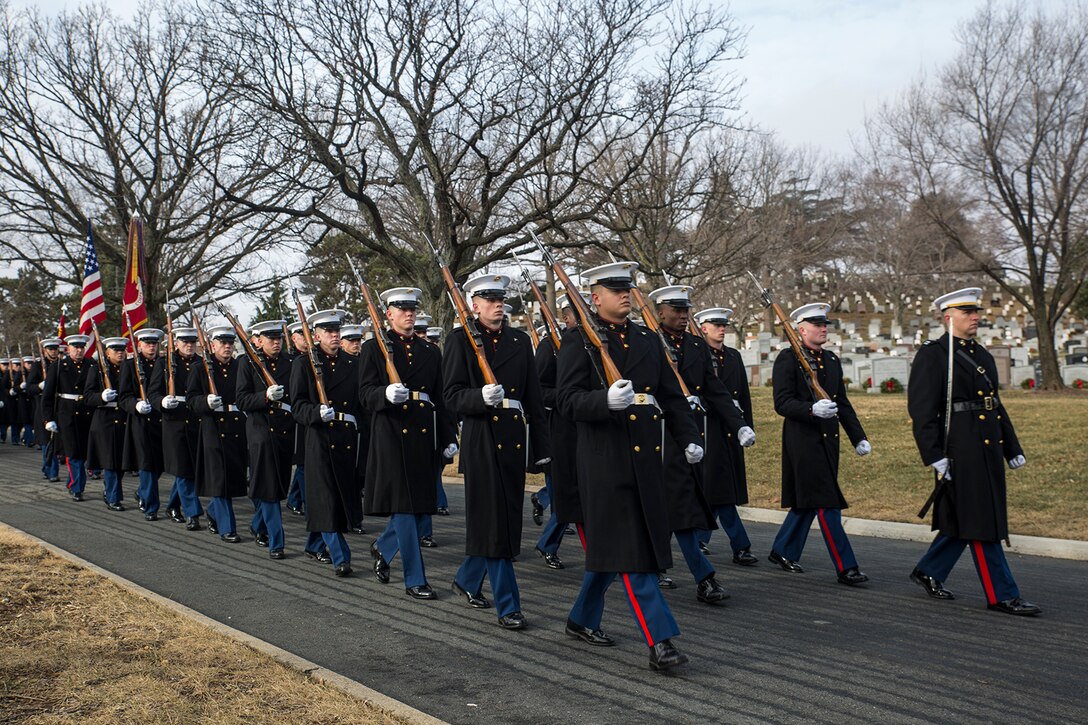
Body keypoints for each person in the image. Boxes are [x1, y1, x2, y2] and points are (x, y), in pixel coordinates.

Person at [556, 261, 701, 671]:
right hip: (603, 462)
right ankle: (661, 642)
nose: (625, 294)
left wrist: (689, 437)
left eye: (628, 287)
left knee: (616, 551)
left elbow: (672, 397)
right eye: (615, 288)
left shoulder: (647, 340)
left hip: (645, 460)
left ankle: (582, 617)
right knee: (634, 556)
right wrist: (602, 401)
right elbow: (566, 401)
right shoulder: (578, 342)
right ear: (594, 296)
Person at [907, 287, 1040, 616]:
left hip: (988, 446)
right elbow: (922, 411)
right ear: (948, 317)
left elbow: (994, 404)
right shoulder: (934, 354)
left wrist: (1012, 446)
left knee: (967, 516)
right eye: (968, 313)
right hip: (960, 448)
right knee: (981, 520)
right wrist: (934, 454)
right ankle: (1002, 594)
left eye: (976, 311)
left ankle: (930, 570)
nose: (976, 317)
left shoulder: (979, 354)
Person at [443, 273, 549, 630]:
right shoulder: (460, 341)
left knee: (502, 518)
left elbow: (534, 396)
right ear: (474, 305)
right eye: (489, 299)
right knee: (494, 522)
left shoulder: (519, 340)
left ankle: (467, 580)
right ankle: (509, 605)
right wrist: (478, 397)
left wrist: (543, 450)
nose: (497, 304)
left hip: (514, 438)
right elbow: (451, 395)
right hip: (481, 438)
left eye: (500, 298)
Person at [646, 285, 754, 603]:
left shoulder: (695, 344)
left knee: (679, 508)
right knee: (679, 508)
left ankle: (661, 568)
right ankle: (702, 576)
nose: (683, 315)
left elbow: (715, 389)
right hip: (657, 435)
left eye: (685, 310)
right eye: (676, 310)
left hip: (689, 436)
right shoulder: (647, 342)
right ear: (659, 311)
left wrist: (739, 425)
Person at [361, 287, 457, 599]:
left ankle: (384, 546)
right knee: (404, 509)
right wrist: (384, 395)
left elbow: (440, 400)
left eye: (412, 308)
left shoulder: (431, 352)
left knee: (419, 510)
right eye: (401, 309)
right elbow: (363, 394)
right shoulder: (373, 348)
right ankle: (415, 579)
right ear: (388, 314)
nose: (409, 313)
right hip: (391, 435)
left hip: (423, 435)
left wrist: (448, 437)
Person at [767, 302, 871, 586]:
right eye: (817, 325)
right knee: (827, 503)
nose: (824, 328)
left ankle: (783, 550)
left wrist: (858, 436)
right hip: (803, 441)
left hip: (828, 440)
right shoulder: (788, 360)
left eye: (825, 324)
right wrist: (811, 410)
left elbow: (843, 403)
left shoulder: (832, 360)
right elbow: (782, 402)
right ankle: (846, 566)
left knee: (807, 502)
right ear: (801, 330)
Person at [290, 308, 360, 577]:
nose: (334, 335)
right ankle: (341, 556)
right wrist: (315, 413)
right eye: (328, 332)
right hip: (319, 438)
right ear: (316, 336)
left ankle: (314, 543)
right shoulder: (303, 364)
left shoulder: (352, 363)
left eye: (336, 331)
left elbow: (359, 403)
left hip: (346, 437)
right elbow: (297, 406)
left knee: (338, 497)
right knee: (326, 497)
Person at [693, 307, 759, 565]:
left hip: (731, 428)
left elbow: (743, 395)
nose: (722, 329)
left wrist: (747, 426)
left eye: (724, 325)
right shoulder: (696, 356)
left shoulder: (733, 356)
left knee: (719, 488)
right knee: (720, 489)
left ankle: (700, 537)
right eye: (716, 325)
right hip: (706, 425)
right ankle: (740, 545)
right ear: (703, 328)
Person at [530, 292, 586, 569]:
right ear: (566, 318)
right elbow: (540, 390)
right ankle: (548, 544)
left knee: (580, 496)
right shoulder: (550, 347)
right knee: (567, 496)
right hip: (561, 429)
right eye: (579, 313)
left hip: (587, 426)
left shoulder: (590, 344)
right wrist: (569, 396)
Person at [236, 319, 295, 560]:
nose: (276, 342)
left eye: (279, 338)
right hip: (260, 429)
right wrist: (265, 396)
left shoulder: (290, 362)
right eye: (271, 339)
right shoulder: (247, 363)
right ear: (258, 341)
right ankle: (277, 542)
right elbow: (242, 400)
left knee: (279, 484)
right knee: (269, 487)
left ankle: (258, 524)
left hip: (284, 428)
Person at [187, 325, 247, 543]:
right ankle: (227, 528)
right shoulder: (200, 367)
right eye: (223, 343)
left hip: (236, 426)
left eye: (230, 343)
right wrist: (206, 402)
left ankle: (213, 512)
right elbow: (192, 400)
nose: (228, 347)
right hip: (213, 427)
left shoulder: (240, 366)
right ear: (212, 345)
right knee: (220, 480)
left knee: (231, 478)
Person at [150, 324, 205, 531]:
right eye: (185, 342)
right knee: (183, 469)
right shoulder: (164, 364)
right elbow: (153, 393)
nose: (189, 346)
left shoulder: (201, 363)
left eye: (192, 342)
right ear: (177, 343)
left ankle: (173, 505)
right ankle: (193, 512)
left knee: (190, 469)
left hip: (196, 419)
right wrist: (162, 402)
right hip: (174, 421)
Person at [119, 327, 166, 521]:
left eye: (154, 343)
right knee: (146, 463)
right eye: (147, 343)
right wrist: (136, 404)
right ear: (139, 345)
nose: (151, 347)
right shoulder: (130, 365)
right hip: (140, 419)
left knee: (160, 464)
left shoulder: (163, 363)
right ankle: (150, 506)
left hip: (161, 417)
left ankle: (142, 492)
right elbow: (124, 397)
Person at [42, 334, 94, 501]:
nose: (79, 350)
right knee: (73, 452)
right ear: (69, 348)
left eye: (81, 347)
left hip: (87, 411)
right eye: (75, 347)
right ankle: (77, 487)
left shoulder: (92, 365)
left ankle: (74, 482)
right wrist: (48, 419)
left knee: (86, 452)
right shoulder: (58, 366)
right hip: (66, 413)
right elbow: (48, 396)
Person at [83, 336, 128, 510]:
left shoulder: (129, 368)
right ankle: (113, 498)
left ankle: (110, 491)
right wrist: (101, 397)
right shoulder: (98, 370)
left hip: (124, 417)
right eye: (116, 350)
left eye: (122, 350)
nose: (120, 353)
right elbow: (87, 397)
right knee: (110, 462)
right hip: (105, 419)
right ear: (107, 352)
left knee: (122, 463)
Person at [28, 339, 62, 482]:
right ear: (45, 350)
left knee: (56, 442)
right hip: (43, 407)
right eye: (51, 349)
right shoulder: (37, 366)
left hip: (59, 406)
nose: (53, 351)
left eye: (55, 349)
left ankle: (47, 467)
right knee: (46, 441)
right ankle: (52, 471)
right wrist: (40, 386)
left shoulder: (62, 364)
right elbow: (30, 388)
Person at [286, 321, 308, 516]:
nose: (306, 338)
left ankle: (294, 499)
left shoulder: (311, 358)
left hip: (305, 415)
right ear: (294, 338)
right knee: (302, 461)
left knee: (303, 460)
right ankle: (298, 500)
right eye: (302, 335)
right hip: (292, 414)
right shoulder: (291, 359)